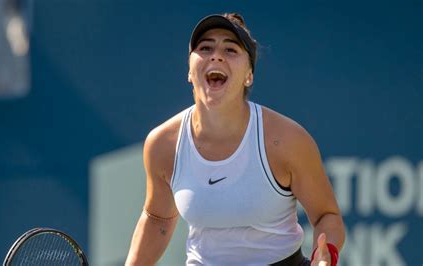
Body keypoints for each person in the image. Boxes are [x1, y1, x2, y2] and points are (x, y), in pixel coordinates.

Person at [126, 13, 345, 266]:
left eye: (230, 50)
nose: (216, 55)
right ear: (189, 71)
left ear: (248, 75)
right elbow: (158, 219)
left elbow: (326, 216)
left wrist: (324, 256)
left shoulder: (286, 140)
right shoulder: (163, 144)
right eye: (205, 47)